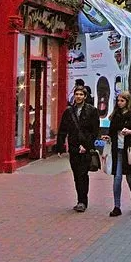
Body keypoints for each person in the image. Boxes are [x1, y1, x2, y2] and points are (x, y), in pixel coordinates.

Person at [55, 85, 100, 213]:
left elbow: (94, 131)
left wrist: (86, 145)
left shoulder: (92, 111)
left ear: (85, 96)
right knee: (76, 175)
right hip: (74, 147)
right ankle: (79, 199)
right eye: (77, 94)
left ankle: (82, 201)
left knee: (83, 174)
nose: (78, 97)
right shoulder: (69, 111)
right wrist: (60, 146)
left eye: (81, 94)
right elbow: (63, 130)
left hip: (85, 148)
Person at [104, 91, 131, 217]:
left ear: (127, 101)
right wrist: (108, 137)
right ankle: (117, 206)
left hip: (129, 150)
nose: (120, 103)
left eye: (122, 101)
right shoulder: (115, 116)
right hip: (117, 150)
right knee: (117, 179)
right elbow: (111, 131)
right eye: (118, 100)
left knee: (130, 179)